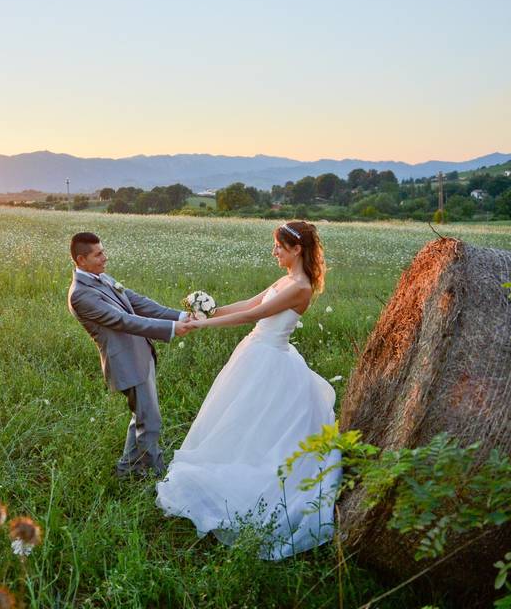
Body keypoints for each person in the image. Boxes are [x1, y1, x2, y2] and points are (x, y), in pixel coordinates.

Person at [155, 220, 341, 560]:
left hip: (270, 360)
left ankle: (249, 492)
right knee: (239, 425)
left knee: (258, 428)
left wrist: (203, 325)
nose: (274, 252)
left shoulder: (300, 286)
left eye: (279, 248)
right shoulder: (285, 279)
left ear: (297, 249)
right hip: (255, 353)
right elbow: (246, 304)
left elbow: (254, 315)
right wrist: (206, 311)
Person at [67, 232, 195, 478]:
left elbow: (137, 302)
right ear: (81, 260)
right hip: (125, 361)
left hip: (139, 353)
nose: (105, 257)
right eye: (98, 254)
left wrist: (179, 316)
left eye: (103, 251)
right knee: (150, 422)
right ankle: (153, 474)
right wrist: (171, 329)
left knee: (143, 417)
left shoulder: (100, 277)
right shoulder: (80, 294)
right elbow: (122, 320)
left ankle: (127, 469)